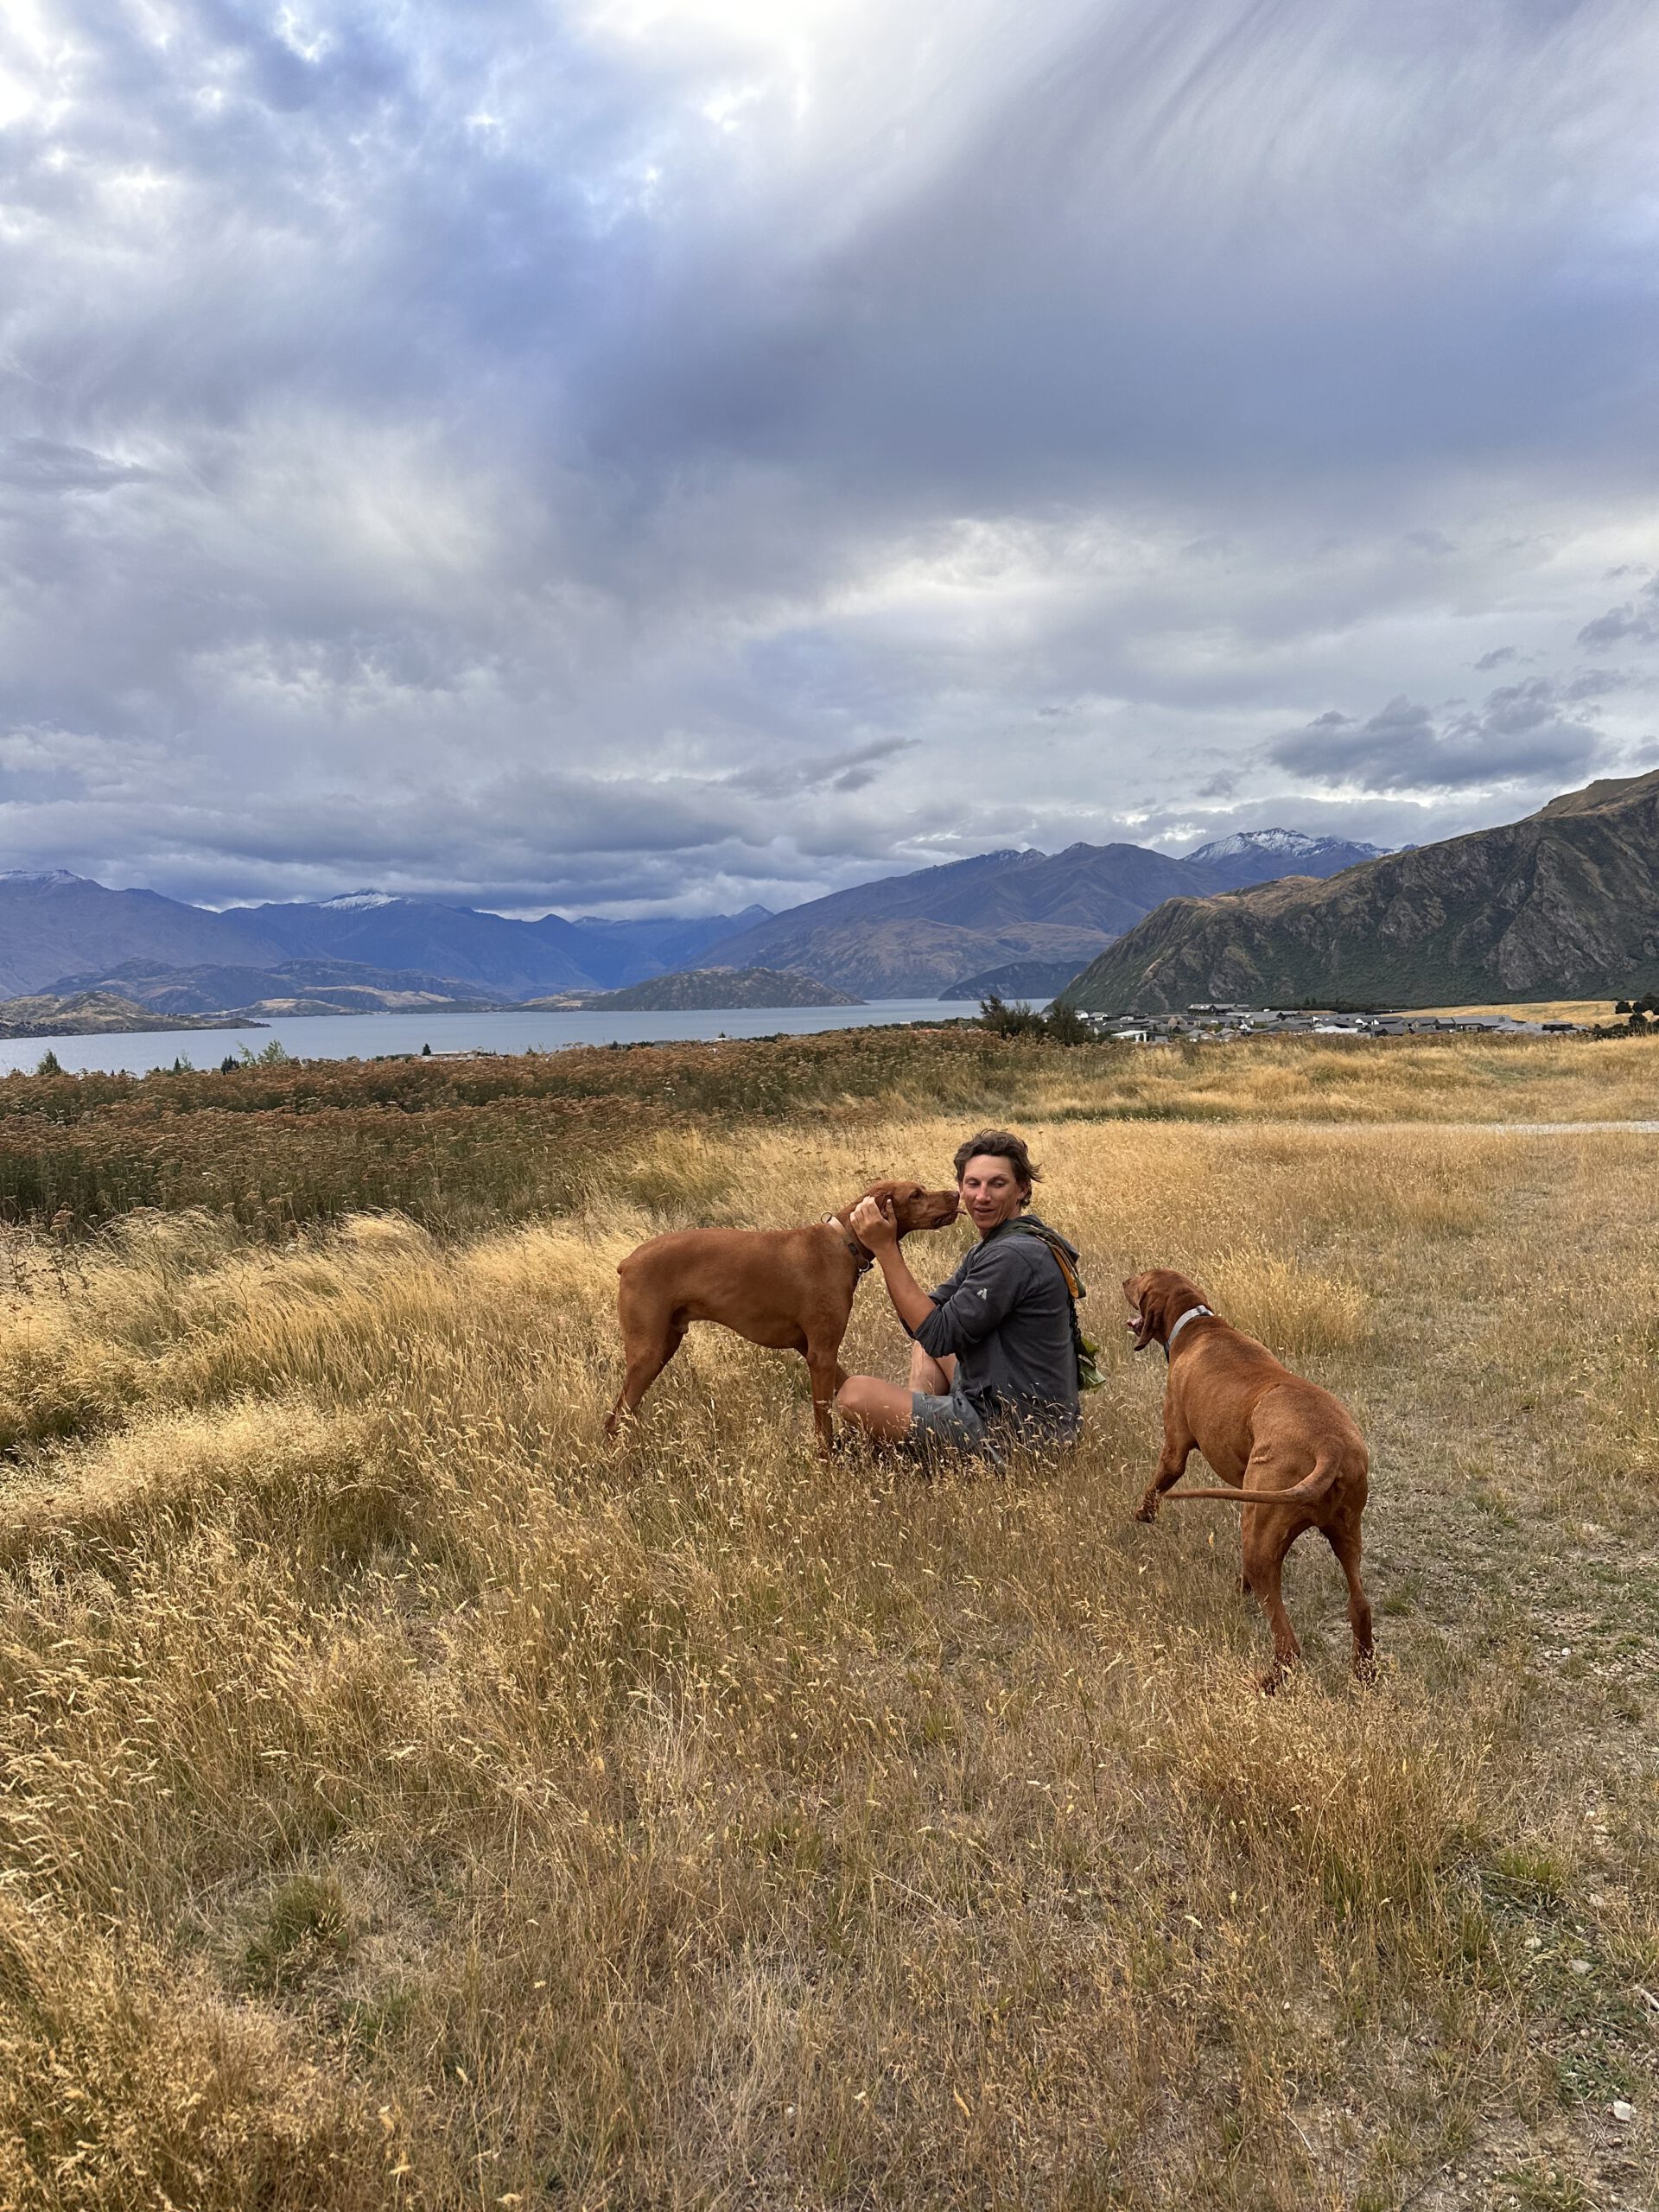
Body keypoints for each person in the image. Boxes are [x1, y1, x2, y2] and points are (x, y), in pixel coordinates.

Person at [834, 1127, 1083, 1456]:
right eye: (973, 1184)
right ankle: (921, 1435)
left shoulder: (1012, 1255)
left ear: (1022, 1189)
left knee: (853, 1395)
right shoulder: (1006, 1242)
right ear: (961, 1188)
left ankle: (920, 1441)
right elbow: (925, 1325)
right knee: (926, 1348)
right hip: (1014, 1404)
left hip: (1016, 1432)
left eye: (997, 1183)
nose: (982, 1196)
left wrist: (886, 1249)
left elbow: (936, 1332)